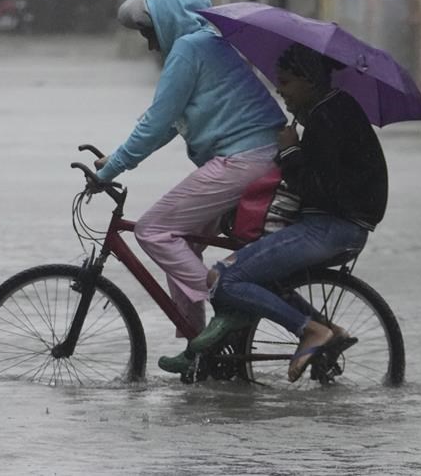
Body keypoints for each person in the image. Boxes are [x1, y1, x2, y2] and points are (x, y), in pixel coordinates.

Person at [160, 43, 389, 382]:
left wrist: (290, 151)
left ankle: (309, 330)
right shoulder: (330, 110)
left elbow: (316, 187)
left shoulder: (328, 117)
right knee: (264, 279)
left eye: (285, 82)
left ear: (309, 81)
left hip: (332, 228)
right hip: (338, 226)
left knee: (225, 278)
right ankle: (329, 330)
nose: (280, 91)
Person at [92, 0, 286, 361]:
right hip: (255, 155)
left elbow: (155, 123)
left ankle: (228, 304)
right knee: (181, 248)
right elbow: (166, 124)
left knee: (153, 231)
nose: (150, 44)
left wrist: (109, 172)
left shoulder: (188, 48)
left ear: (169, 21)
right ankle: (200, 349)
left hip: (244, 159)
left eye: (150, 32)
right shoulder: (206, 43)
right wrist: (115, 158)